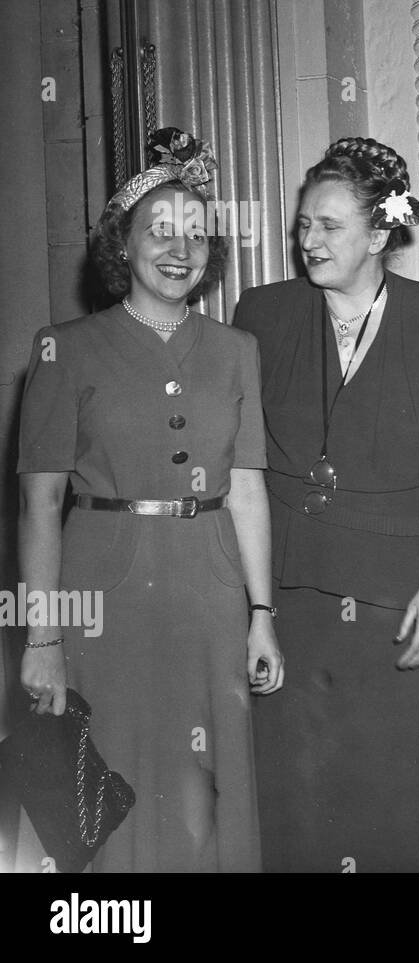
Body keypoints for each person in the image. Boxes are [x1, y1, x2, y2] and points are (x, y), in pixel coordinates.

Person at [17, 127, 282, 872]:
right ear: (121, 245)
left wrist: (262, 615)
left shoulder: (237, 350)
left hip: (212, 592)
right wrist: (42, 638)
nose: (181, 248)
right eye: (160, 231)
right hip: (105, 598)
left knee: (208, 792)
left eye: (197, 235)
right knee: (118, 790)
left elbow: (250, 489)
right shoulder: (62, 348)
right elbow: (38, 507)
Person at [231, 137, 419, 872]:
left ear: (380, 234)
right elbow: (240, 464)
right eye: (304, 224)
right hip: (296, 611)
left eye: (330, 226)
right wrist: (257, 609)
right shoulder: (263, 313)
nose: (309, 241)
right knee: (302, 816)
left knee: (405, 817)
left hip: (405, 608)